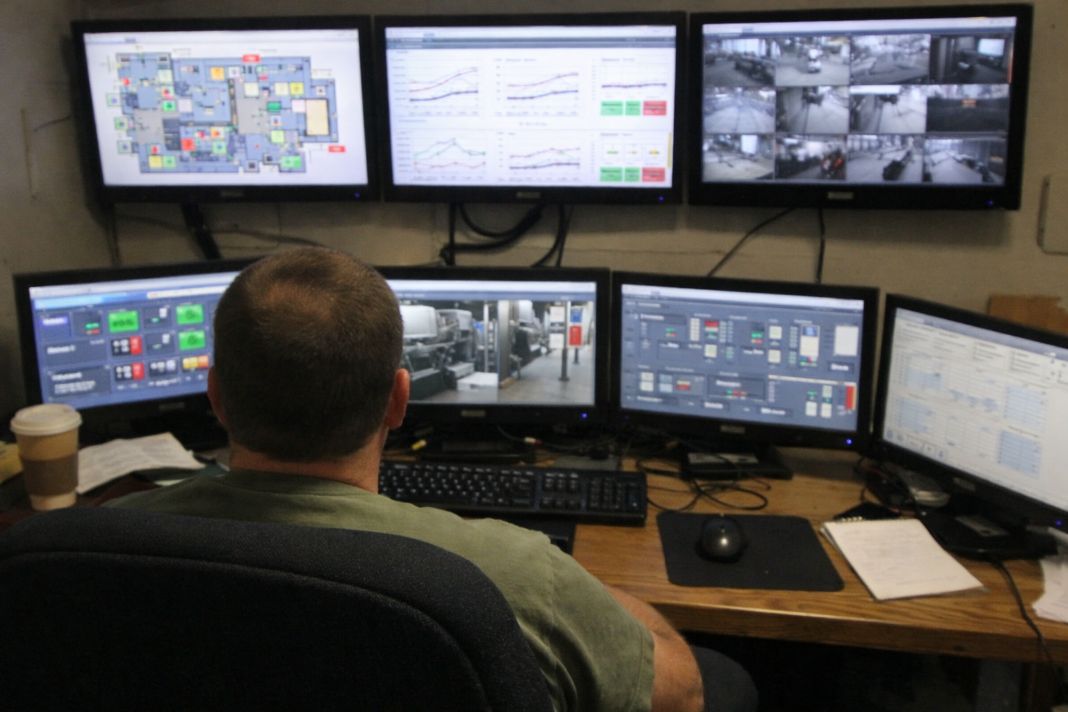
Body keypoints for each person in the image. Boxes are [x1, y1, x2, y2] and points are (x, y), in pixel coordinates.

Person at [108, 247, 757, 712]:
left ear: (216, 398)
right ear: (399, 400)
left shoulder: (99, 541)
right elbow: (684, 693)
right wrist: (585, 592)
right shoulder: (512, 575)